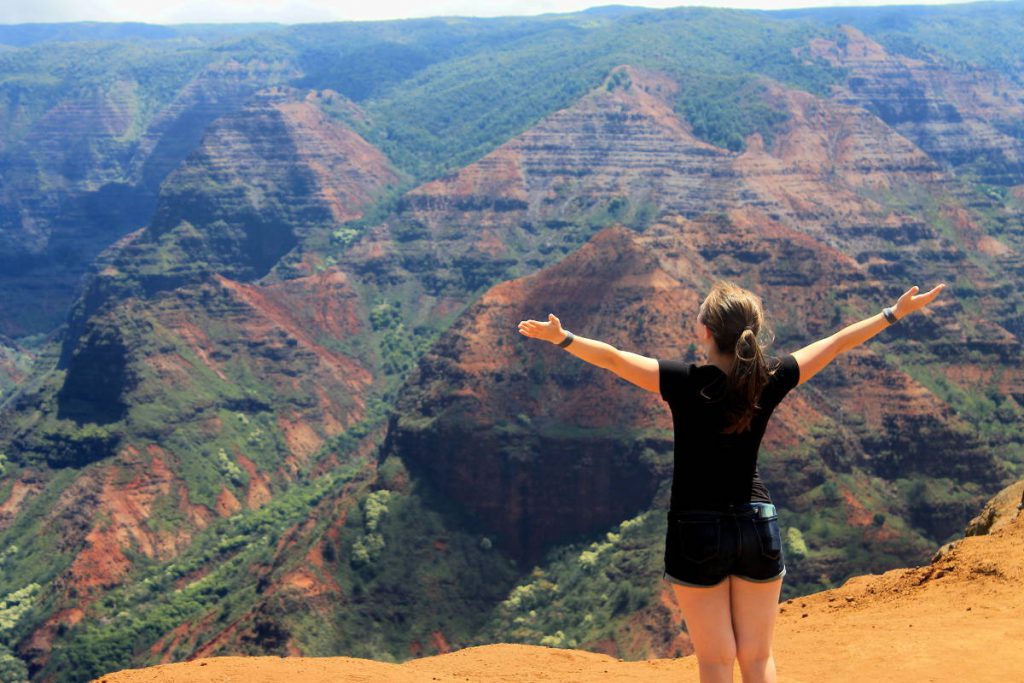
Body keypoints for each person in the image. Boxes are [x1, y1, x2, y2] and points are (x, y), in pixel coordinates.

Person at [517, 279, 946, 683]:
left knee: (716, 660)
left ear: (704, 331)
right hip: (757, 524)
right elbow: (835, 343)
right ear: (752, 334)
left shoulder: (683, 381)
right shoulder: (768, 378)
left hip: (695, 530)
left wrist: (563, 338)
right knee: (758, 657)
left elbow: (611, 357)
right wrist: (893, 313)